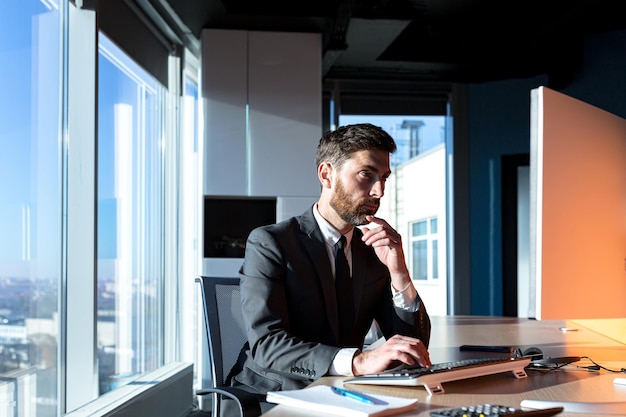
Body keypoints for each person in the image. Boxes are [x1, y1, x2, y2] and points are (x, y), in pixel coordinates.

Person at [225, 123, 431, 414]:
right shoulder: (271, 243)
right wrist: (358, 362)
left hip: (346, 392)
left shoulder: (373, 250)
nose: (379, 191)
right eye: (366, 175)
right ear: (327, 174)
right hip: (273, 396)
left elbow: (415, 347)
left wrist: (399, 273)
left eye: (384, 178)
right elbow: (268, 345)